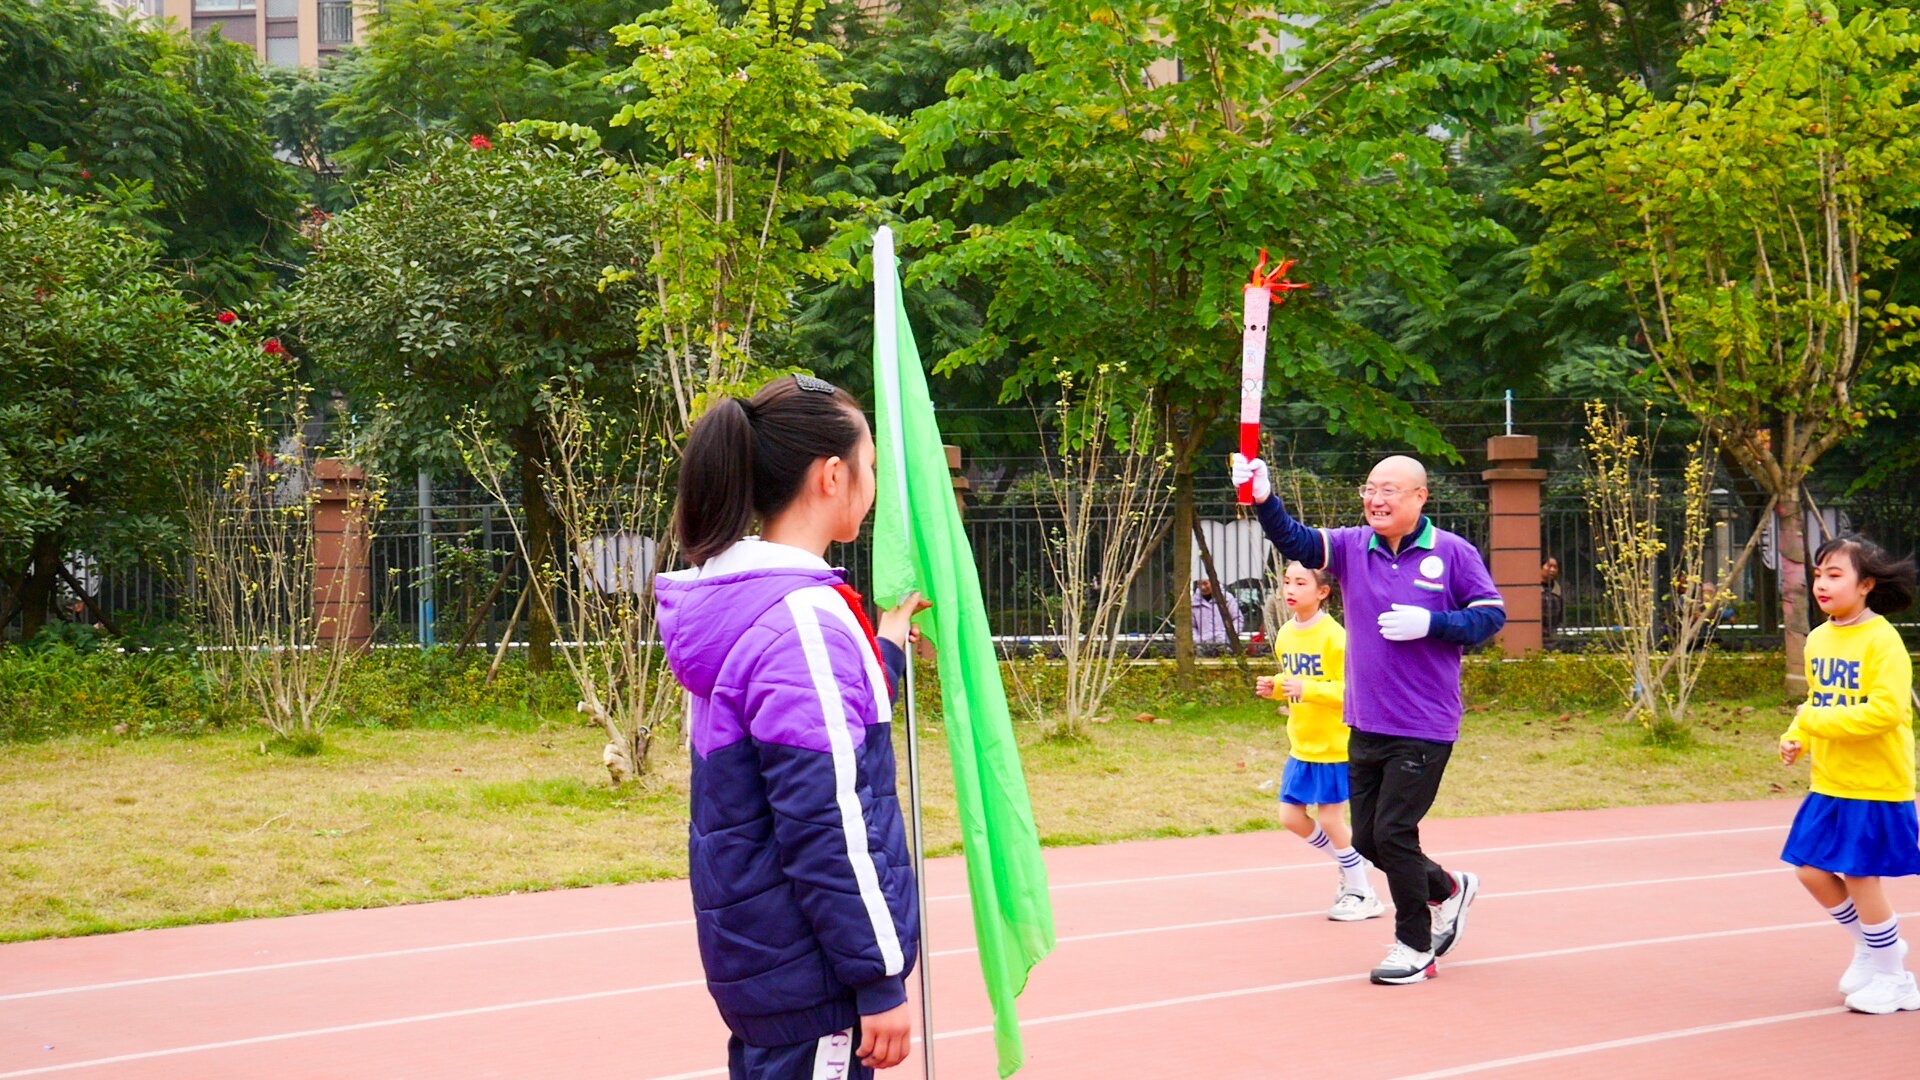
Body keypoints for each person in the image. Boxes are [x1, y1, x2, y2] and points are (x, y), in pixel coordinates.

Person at [656, 375, 925, 1077]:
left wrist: (885, 647)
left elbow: (809, 741)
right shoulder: (803, 621)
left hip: (772, 969)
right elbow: (826, 819)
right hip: (820, 987)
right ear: (833, 476)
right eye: (869, 466)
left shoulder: (746, 604)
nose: (872, 484)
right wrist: (879, 976)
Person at [1232, 452, 1506, 985]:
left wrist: (1433, 622)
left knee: (1395, 832)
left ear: (1419, 497)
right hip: (1365, 719)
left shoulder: (1451, 552)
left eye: (1390, 490)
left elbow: (1490, 616)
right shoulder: (1355, 547)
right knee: (1369, 840)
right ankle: (1448, 889)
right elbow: (1298, 542)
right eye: (1369, 489)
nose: (1376, 500)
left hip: (1424, 723)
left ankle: (1414, 945)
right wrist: (1265, 499)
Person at [1777, 534, 1920, 1016]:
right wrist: (1798, 735)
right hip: (1831, 781)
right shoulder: (1819, 639)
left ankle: (1896, 980)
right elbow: (1816, 704)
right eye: (1819, 573)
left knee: (1861, 877)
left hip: (1876, 780)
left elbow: (1884, 712)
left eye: (1835, 574)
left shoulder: (1884, 641)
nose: (1822, 583)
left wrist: (1814, 720)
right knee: (1810, 870)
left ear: (1866, 585)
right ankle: (1876, 948)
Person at [1256, 560, 1382, 922]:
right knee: (1290, 817)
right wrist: (1276, 686)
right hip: (1302, 743)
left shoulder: (1336, 637)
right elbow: (1292, 679)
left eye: (1300, 583)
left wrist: (1307, 688)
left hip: (1334, 744)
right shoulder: (1285, 634)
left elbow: (1354, 691)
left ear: (1323, 592)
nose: (1290, 590)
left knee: (1330, 818)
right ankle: (1351, 863)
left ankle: (1362, 891)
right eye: (1286, 582)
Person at [1191, 576, 1244, 645]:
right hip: (1203, 645)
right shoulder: (1194, 601)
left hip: (1225, 643)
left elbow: (1237, 619)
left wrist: (1230, 636)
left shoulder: (1227, 598)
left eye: (1205, 583)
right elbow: (1191, 626)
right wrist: (1197, 640)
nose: (1203, 587)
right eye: (1199, 584)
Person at [1540, 557, 1564, 640]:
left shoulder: (1558, 590)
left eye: (1555, 567)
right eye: (1549, 566)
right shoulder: (1532, 590)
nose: (1553, 570)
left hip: (1554, 634)